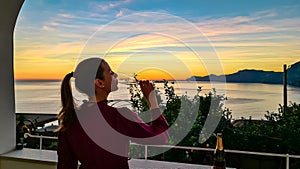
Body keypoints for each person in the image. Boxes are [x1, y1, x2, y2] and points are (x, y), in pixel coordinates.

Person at [56, 58, 169, 169]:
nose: (116, 75)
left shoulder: (70, 120)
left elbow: (65, 165)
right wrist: (152, 100)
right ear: (99, 83)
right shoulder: (118, 117)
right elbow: (160, 137)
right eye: (110, 72)